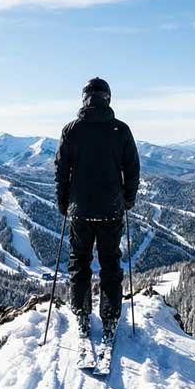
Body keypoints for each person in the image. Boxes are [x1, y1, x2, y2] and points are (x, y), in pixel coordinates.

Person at [54, 77, 140, 341]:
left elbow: (61, 170)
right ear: (108, 98)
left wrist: (63, 201)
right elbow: (132, 169)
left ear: (84, 99)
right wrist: (128, 198)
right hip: (111, 209)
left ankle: (81, 313)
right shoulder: (120, 130)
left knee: (79, 262)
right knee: (110, 263)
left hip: (80, 210)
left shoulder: (72, 130)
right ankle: (111, 317)